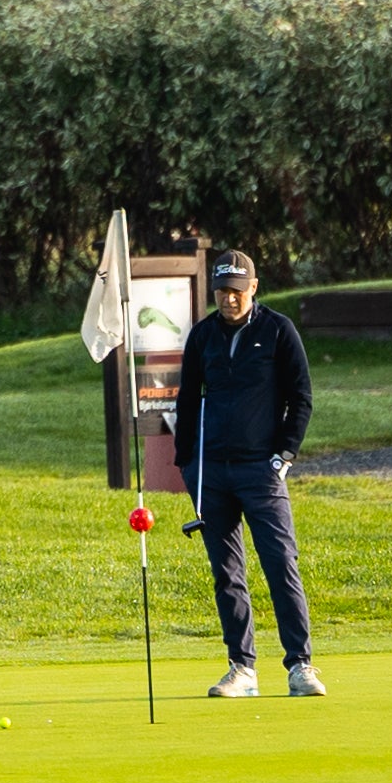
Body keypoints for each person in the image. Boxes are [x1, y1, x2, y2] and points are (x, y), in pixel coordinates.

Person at [166, 251, 324, 698]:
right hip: (212, 470)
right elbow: (188, 400)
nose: (229, 300)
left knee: (280, 564)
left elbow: (302, 396)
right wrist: (186, 463)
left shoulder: (277, 330)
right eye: (222, 292)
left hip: (262, 469)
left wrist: (284, 455)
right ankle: (242, 668)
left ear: (253, 288)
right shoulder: (203, 336)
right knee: (227, 572)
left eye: (237, 291)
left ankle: (301, 666)